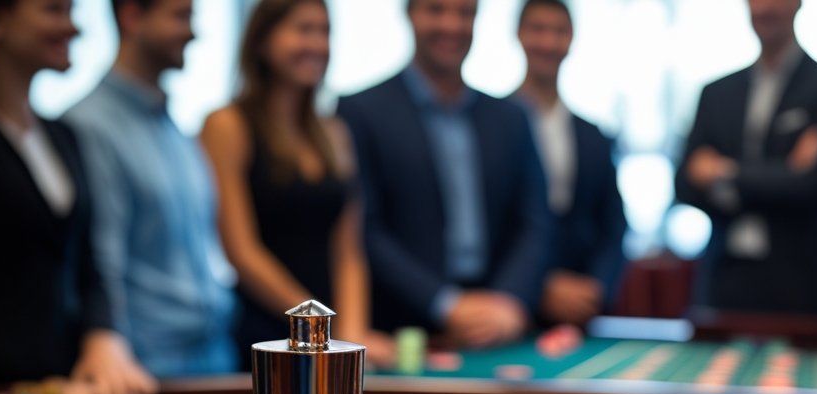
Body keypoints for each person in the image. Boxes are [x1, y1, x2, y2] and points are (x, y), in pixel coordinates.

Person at [337, 0, 552, 348]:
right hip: (401, 331)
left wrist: (509, 301)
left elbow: (535, 222)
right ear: (410, 14)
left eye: (465, 12)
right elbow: (364, 228)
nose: (452, 25)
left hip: (500, 327)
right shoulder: (360, 111)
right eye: (436, 9)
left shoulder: (512, 117)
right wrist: (444, 303)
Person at [201, 0, 394, 368]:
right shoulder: (226, 125)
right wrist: (318, 330)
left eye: (325, 32)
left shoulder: (335, 133)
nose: (318, 45)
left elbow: (348, 250)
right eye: (304, 30)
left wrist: (350, 337)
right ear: (261, 40)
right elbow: (242, 252)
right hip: (267, 335)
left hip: (329, 336)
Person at [0, 0, 155, 394]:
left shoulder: (63, 136)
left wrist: (104, 338)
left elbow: (87, 264)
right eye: (54, 10)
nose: (74, 28)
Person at [64, 0, 238, 377]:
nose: (193, 32)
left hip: (215, 356)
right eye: (180, 16)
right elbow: (100, 264)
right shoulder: (87, 126)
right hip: (149, 371)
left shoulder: (173, 126)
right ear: (132, 17)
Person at [675, 0, 817, 317]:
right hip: (723, 283)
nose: (764, 8)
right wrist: (783, 174)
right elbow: (685, 185)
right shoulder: (716, 93)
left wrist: (722, 172)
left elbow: (811, 185)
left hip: (801, 289)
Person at [515, 0, 627, 327]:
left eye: (559, 31)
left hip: (580, 315)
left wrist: (596, 288)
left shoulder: (594, 136)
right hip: (509, 308)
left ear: (571, 38)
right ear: (519, 35)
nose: (548, 42)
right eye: (538, 29)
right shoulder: (491, 126)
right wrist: (538, 287)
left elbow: (614, 226)